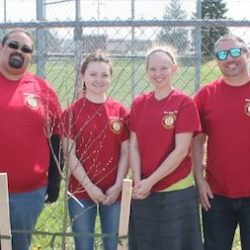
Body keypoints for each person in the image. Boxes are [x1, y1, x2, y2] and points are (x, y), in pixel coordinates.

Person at [129, 46, 203, 250]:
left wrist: (151, 181)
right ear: (147, 71)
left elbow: (181, 151)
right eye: (153, 69)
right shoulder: (139, 103)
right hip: (143, 190)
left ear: (174, 69)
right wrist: (138, 181)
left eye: (164, 68)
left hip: (175, 188)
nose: (158, 73)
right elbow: (133, 145)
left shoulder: (184, 103)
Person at [0, 29, 62, 250]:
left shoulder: (43, 90)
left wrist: (55, 180)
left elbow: (56, 139)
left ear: (31, 57)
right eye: (13, 45)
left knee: (19, 245)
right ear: (2, 47)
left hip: (28, 193)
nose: (19, 51)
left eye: (26, 49)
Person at [62, 50, 129, 250]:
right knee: (84, 245)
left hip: (113, 191)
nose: (98, 80)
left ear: (110, 77)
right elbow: (69, 154)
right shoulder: (72, 112)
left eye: (104, 75)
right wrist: (89, 187)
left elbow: (126, 152)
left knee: (113, 243)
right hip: (81, 191)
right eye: (92, 74)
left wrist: (118, 185)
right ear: (82, 76)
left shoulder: (120, 111)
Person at [192, 34, 250, 250]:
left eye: (235, 52)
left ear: (246, 54)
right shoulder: (206, 95)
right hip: (217, 195)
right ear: (216, 59)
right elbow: (197, 139)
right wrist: (199, 179)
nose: (229, 59)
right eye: (222, 54)